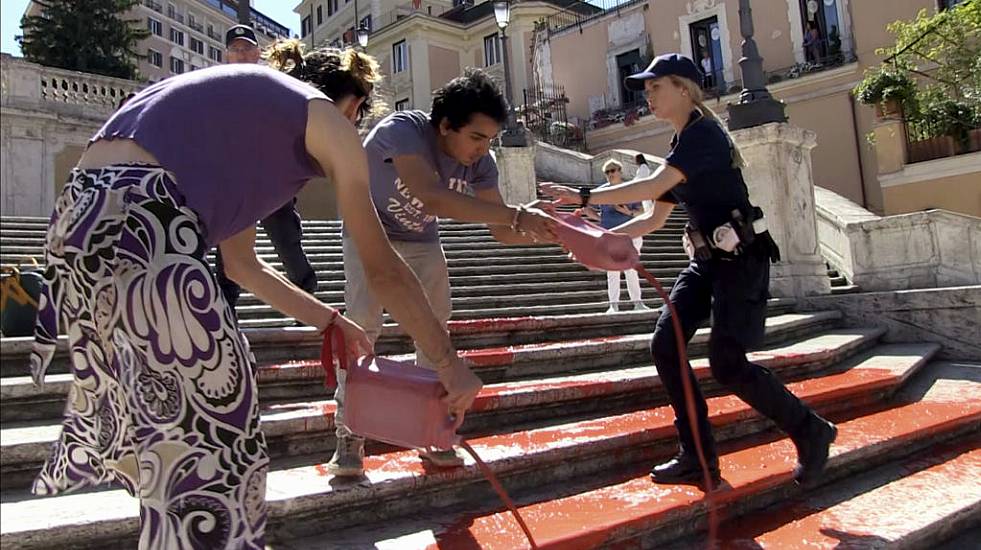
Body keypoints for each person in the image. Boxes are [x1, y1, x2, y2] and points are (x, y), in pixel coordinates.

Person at [28, 40, 483, 549]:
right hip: (146, 216)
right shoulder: (324, 118)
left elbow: (242, 266)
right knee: (222, 447)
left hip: (77, 220)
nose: (354, 135)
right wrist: (448, 364)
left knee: (175, 445)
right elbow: (384, 271)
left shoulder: (249, 119)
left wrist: (330, 320)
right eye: (358, 116)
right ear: (350, 104)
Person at [540, 53, 836, 489]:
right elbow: (652, 219)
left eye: (655, 86)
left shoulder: (705, 136)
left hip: (741, 261)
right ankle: (697, 456)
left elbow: (649, 188)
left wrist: (583, 197)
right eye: (646, 88)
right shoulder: (680, 147)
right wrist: (594, 239)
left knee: (727, 364)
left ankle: (811, 430)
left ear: (683, 88)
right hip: (705, 262)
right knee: (666, 345)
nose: (647, 94)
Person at [327, 68, 558, 477]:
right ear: (446, 125)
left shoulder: (482, 164)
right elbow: (429, 196)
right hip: (369, 228)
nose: (483, 149)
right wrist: (519, 214)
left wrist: (560, 235)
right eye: (476, 137)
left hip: (421, 241)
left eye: (490, 139)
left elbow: (502, 233)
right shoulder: (405, 130)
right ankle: (349, 434)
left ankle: (433, 430)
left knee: (435, 328)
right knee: (361, 328)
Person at [213, 25, 318, 312]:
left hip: (273, 179)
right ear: (226, 55)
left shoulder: (275, 84)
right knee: (228, 249)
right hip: (234, 183)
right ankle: (226, 311)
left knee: (288, 243)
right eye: (235, 49)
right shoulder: (216, 89)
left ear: (258, 52)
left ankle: (307, 300)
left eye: (247, 47)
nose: (241, 53)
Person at [581, 159, 650, 313]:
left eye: (613, 171)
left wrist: (628, 212)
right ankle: (613, 304)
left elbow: (644, 210)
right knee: (612, 270)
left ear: (620, 171)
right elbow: (593, 211)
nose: (610, 174)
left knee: (631, 268)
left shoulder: (629, 189)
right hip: (609, 234)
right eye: (607, 172)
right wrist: (593, 214)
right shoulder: (601, 191)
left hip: (630, 234)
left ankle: (637, 302)